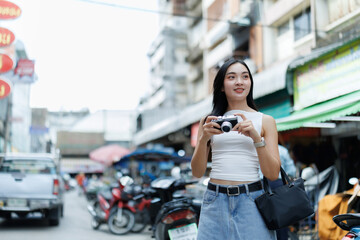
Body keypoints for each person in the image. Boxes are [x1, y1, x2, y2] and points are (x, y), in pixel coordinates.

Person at [191, 58, 281, 239]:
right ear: (222, 86)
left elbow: (272, 174)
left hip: (252, 200)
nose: (239, 82)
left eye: (245, 77)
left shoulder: (265, 121)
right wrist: (203, 140)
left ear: (250, 83)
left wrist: (256, 138)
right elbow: (197, 172)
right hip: (214, 200)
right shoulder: (208, 121)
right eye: (231, 77)